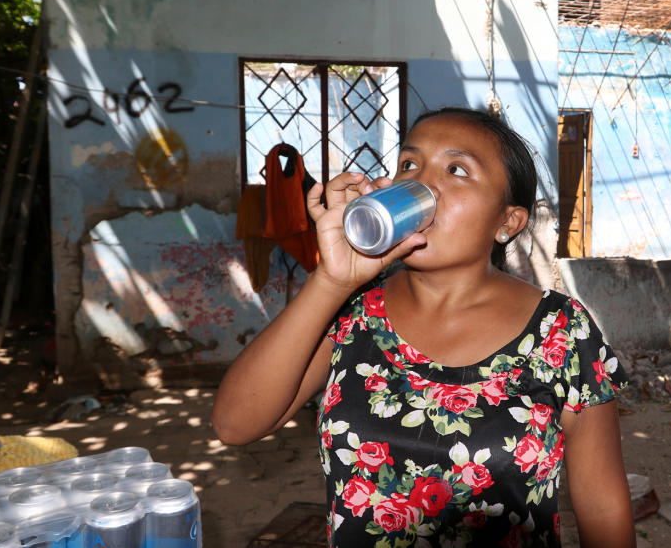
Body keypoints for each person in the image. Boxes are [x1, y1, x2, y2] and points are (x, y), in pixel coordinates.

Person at [212, 107, 635, 547]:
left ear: (507, 222)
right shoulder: (353, 313)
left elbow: (603, 508)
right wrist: (331, 280)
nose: (422, 184)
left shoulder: (561, 331)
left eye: (457, 169)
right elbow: (235, 424)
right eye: (410, 165)